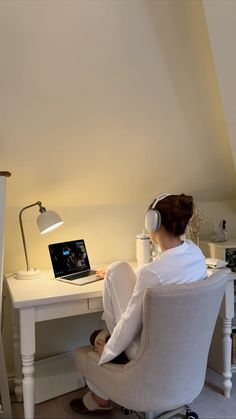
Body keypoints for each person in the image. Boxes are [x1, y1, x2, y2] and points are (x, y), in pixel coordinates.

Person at [70, 193, 207, 414]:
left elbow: (129, 322)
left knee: (114, 277)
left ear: (153, 222)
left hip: (149, 351)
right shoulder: (196, 255)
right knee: (117, 270)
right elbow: (161, 271)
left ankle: (105, 375)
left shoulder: (153, 274)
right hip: (184, 347)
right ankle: (108, 346)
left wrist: (109, 350)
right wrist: (132, 272)